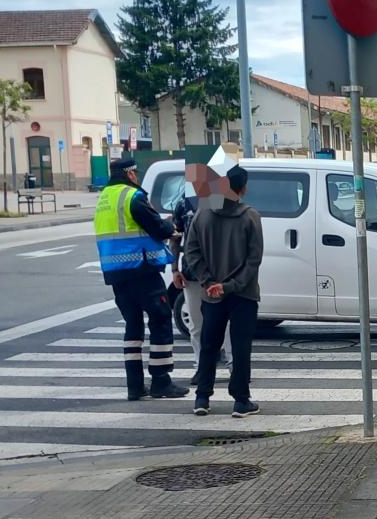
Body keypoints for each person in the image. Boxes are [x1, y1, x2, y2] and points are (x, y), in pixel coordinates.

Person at [93, 157, 189, 401]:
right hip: (141, 270)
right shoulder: (131, 196)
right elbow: (156, 226)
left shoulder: (104, 198)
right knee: (160, 317)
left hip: (116, 274)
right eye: (135, 172)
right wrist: (171, 229)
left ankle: (134, 386)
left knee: (133, 326)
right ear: (130, 173)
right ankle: (161, 381)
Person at [184, 165, 264, 418]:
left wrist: (209, 282)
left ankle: (202, 397)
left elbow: (192, 252)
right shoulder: (250, 216)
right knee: (240, 346)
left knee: (209, 345)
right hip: (244, 295)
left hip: (211, 295)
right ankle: (241, 400)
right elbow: (254, 260)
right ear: (244, 188)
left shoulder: (202, 214)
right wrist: (230, 285)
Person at [170, 191, 230, 385]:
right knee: (196, 324)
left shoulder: (222, 200)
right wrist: (174, 269)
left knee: (227, 322)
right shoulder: (184, 205)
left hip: (220, 272)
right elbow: (175, 236)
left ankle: (234, 367)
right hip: (192, 272)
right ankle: (200, 368)